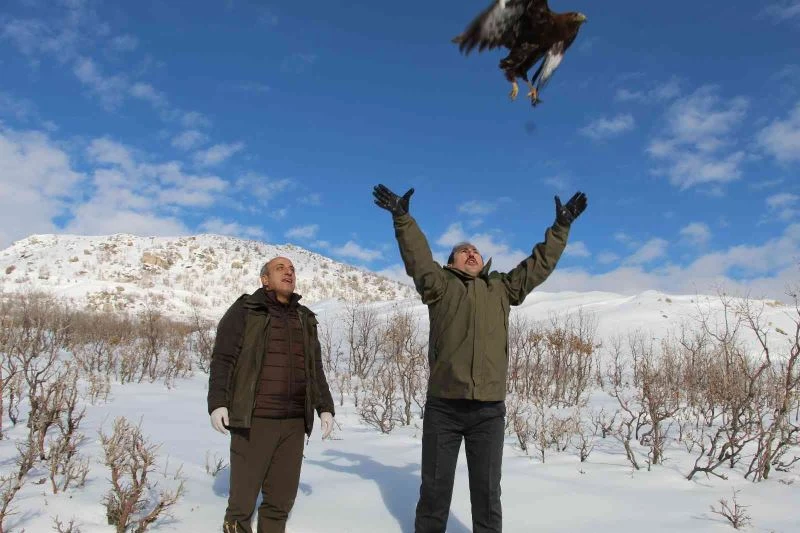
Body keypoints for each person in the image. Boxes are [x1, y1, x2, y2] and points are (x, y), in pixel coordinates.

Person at [372, 184, 587, 533]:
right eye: (463, 251)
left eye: (474, 250)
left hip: (488, 410)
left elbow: (538, 265)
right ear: (451, 263)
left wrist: (561, 227)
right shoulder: (439, 285)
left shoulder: (501, 287)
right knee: (434, 492)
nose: (471, 253)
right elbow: (418, 258)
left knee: (487, 495)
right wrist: (402, 219)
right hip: (444, 406)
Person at [207, 256, 335, 533]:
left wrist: (325, 407)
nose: (288, 272)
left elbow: (315, 367)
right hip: (254, 421)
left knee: (280, 502)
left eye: (292, 269)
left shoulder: (305, 317)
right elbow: (223, 358)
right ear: (265, 279)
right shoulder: (246, 310)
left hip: (294, 424)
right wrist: (218, 402)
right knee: (242, 504)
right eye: (280, 268)